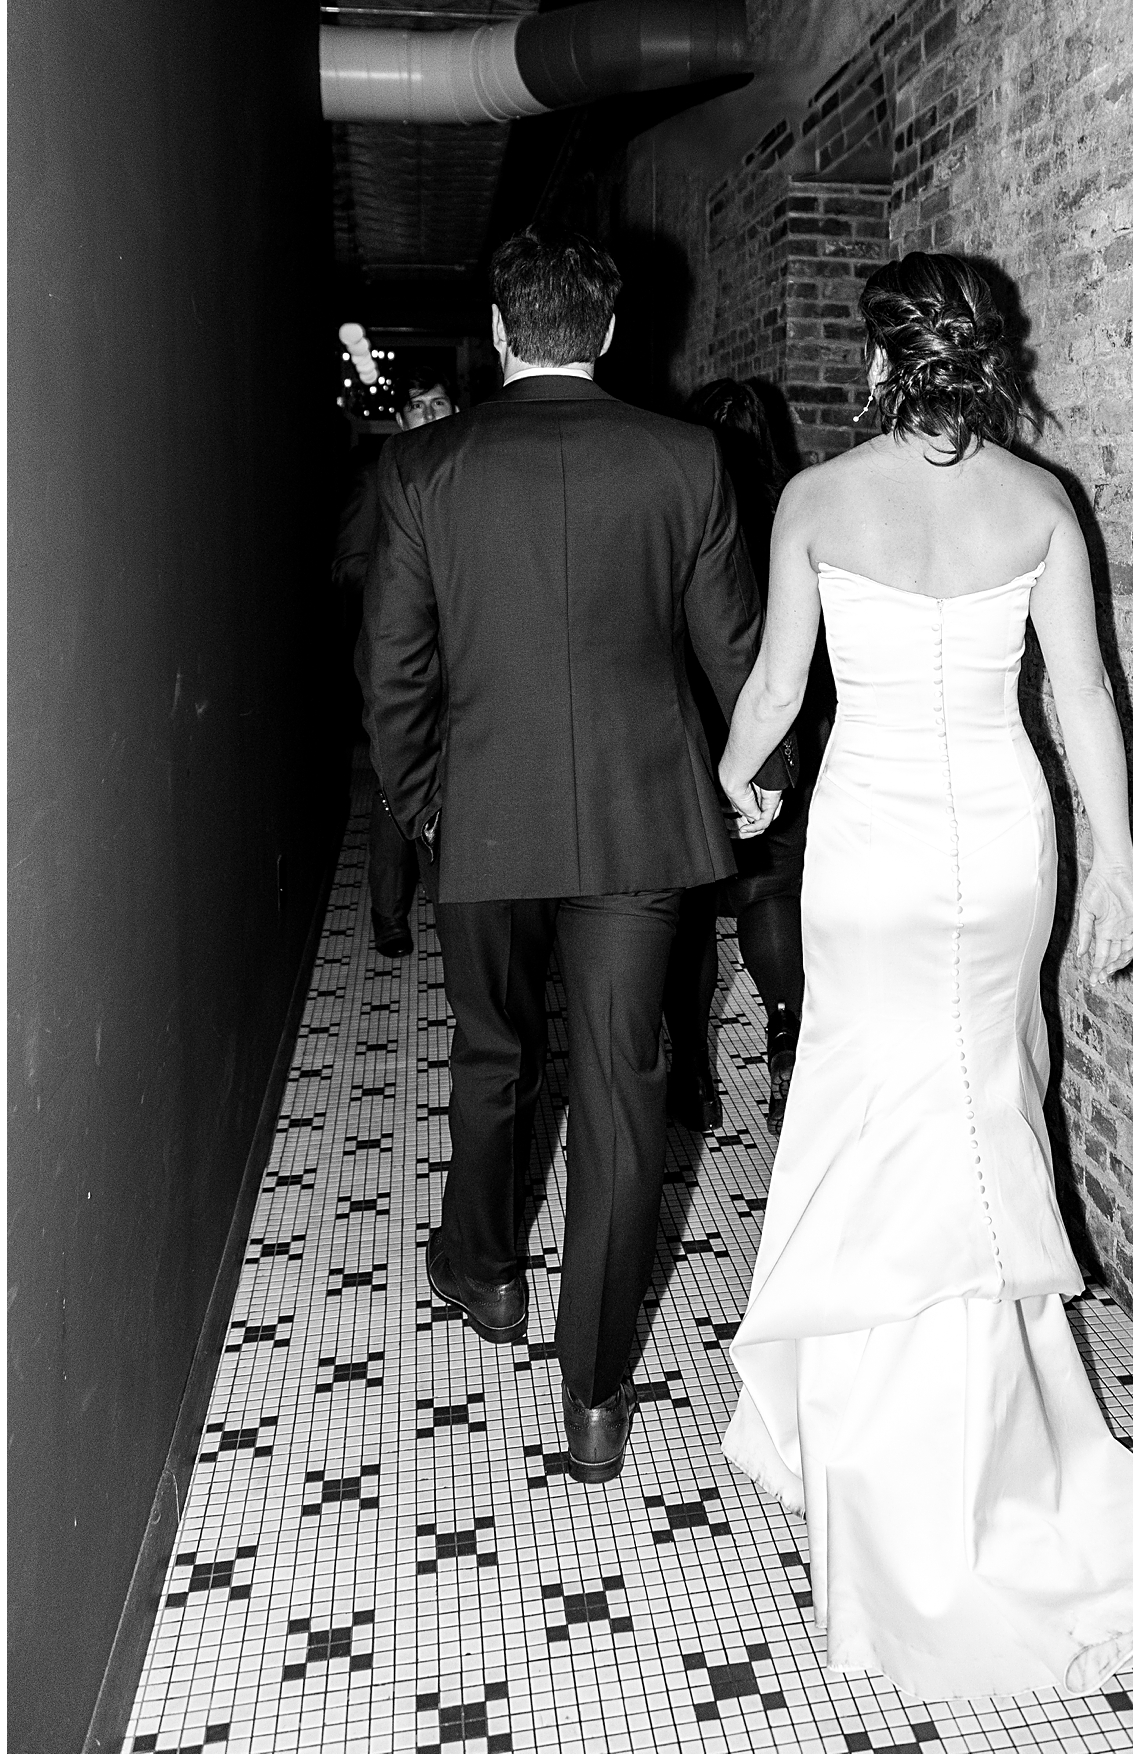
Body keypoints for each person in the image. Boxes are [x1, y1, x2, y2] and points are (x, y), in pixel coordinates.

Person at [715, 252, 1133, 1699]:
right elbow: (1083, 698)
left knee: (877, 1111)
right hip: (1004, 845)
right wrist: (1116, 864)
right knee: (985, 1100)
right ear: (984, 360)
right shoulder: (1038, 503)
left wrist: (740, 780)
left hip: (868, 847)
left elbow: (773, 691)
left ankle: (886, 1438)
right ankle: (992, 1435)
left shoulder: (816, 499)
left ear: (878, 363)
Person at [359, 231, 790, 1484]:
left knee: (495, 1049)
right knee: (621, 1089)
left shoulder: (423, 465)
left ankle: (486, 1268)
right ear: (605, 333)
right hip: (637, 819)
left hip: (481, 818)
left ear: (501, 333)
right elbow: (738, 650)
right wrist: (755, 781)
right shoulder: (684, 457)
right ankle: (595, 1388)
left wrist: (424, 800)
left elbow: (393, 668)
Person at [661, 380, 833, 1135]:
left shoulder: (685, 509)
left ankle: (693, 1073)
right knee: (771, 892)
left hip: (691, 727)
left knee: (691, 907)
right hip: (782, 731)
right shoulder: (793, 509)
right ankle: (788, 1035)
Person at [334, 370, 457, 957]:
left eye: (440, 404)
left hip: (462, 658)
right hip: (397, 658)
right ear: (400, 421)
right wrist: (405, 585)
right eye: (419, 409)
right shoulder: (375, 477)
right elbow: (349, 565)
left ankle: (457, 897)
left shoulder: (470, 471)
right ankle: (389, 911)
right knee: (395, 779)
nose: (431, 417)